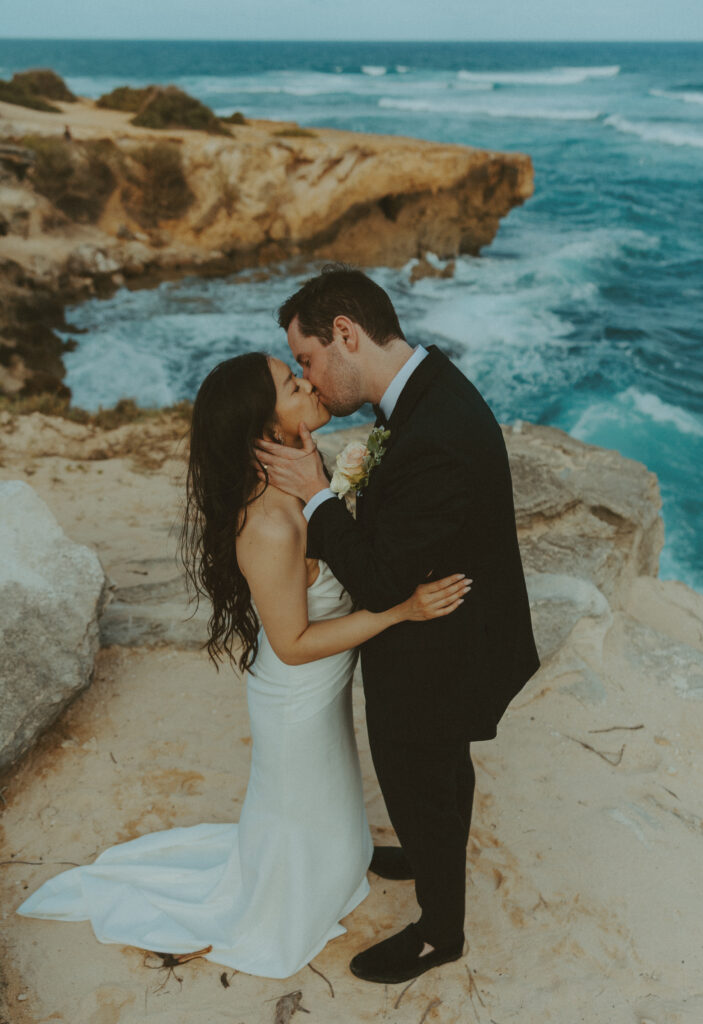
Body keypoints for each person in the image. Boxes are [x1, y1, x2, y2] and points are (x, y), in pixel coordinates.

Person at [16, 351, 468, 979]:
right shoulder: (269, 525)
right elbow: (293, 643)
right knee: (299, 804)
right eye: (291, 384)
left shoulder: (302, 483)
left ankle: (339, 865)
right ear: (264, 428)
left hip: (320, 687)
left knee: (329, 798)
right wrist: (401, 612)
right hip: (296, 696)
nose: (308, 383)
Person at [256, 265, 541, 985]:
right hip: (454, 628)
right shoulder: (422, 390)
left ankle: (439, 934)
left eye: (307, 359)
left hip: (442, 649)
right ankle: (422, 850)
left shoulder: (433, 431)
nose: (308, 378)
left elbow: (382, 581)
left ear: (345, 334)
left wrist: (317, 495)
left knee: (420, 775)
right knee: (436, 776)